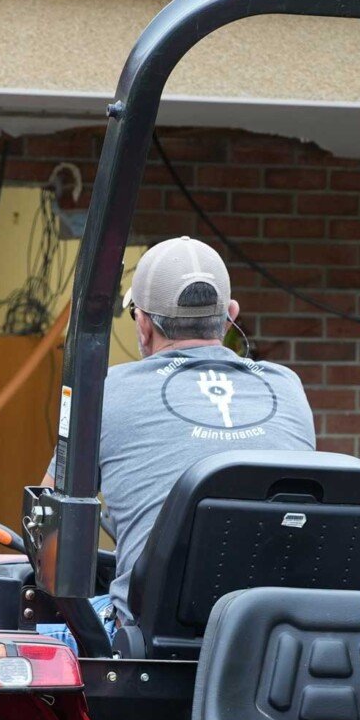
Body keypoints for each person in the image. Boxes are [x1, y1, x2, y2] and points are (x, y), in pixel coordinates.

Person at [67, 235, 317, 627]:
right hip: (277, 634)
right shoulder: (285, 386)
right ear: (231, 314)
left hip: (152, 637)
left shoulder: (106, 389)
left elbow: (52, 514)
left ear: (143, 323)